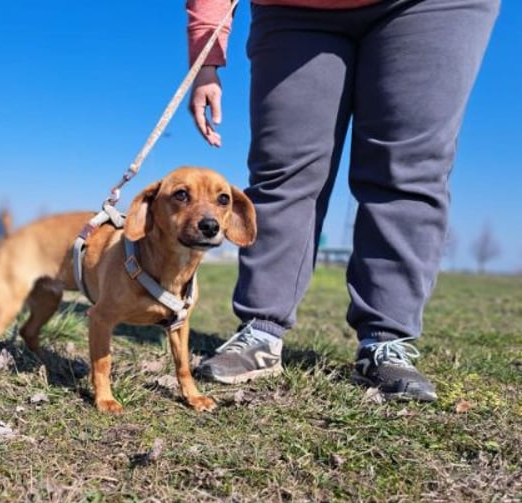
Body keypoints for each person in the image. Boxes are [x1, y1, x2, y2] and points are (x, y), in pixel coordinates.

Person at [186, 0, 499, 401]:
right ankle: (260, 331)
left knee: (406, 169)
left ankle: (385, 340)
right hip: (292, 10)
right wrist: (206, 55)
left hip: (433, 8)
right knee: (283, 171)